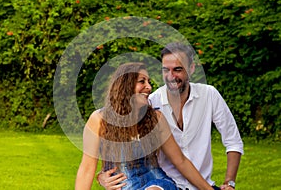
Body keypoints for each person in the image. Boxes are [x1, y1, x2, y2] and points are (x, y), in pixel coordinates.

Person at [97, 43, 244, 190]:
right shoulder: (150, 103)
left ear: (191, 68)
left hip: (203, 186)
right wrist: (102, 176)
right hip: (163, 184)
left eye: (178, 69)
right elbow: (125, 146)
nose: (171, 76)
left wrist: (229, 183)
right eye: (165, 70)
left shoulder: (209, 95)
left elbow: (233, 141)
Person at [75, 62, 215, 190]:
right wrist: (101, 177)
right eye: (142, 81)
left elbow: (180, 161)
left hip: (156, 183)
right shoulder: (99, 119)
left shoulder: (155, 119)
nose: (149, 87)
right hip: (126, 185)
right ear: (125, 86)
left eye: (148, 81)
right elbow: (87, 169)